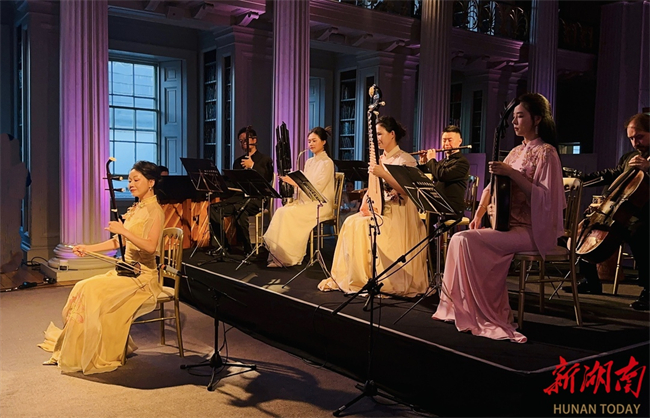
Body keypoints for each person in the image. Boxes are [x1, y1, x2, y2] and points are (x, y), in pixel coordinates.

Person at [432, 93, 566, 343]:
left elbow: (545, 198)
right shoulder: (515, 152)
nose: (514, 122)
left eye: (520, 116)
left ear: (537, 119)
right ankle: (457, 307)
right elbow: (492, 186)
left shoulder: (547, 153)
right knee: (458, 238)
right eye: (513, 117)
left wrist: (512, 174)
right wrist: (479, 213)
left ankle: (487, 312)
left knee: (467, 241)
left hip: (531, 228)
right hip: (508, 226)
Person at [38, 161, 165, 374]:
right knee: (81, 287)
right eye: (130, 180)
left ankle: (94, 351)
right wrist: (88, 248)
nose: (131, 184)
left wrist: (124, 231)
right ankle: (79, 348)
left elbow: (151, 247)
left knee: (92, 290)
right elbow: (118, 242)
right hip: (126, 271)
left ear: (151, 182)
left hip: (143, 277)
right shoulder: (137, 208)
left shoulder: (155, 211)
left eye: (136, 180)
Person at [318, 116, 428, 297]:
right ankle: (358, 278)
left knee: (365, 226)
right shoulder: (380, 158)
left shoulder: (405, 159)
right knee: (351, 222)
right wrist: (366, 202)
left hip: (399, 211)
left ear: (392, 134)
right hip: (380, 208)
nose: (377, 138)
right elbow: (375, 188)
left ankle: (379, 278)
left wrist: (383, 173)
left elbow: (406, 190)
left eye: (380, 134)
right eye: (375, 135)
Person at [563, 113, 649, 310]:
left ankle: (648, 291)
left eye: (640, 137)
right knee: (588, 226)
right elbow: (612, 176)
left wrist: (649, 167)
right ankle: (591, 281)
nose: (635, 143)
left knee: (640, 234)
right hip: (626, 212)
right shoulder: (629, 158)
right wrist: (582, 181)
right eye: (631, 138)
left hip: (646, 214)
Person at [264, 126, 335, 267]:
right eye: (309, 141)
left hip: (320, 204)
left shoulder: (327, 163)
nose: (311, 144)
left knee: (289, 214)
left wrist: (296, 183)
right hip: (306, 202)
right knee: (281, 211)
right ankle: (279, 255)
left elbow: (317, 188)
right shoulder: (309, 162)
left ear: (323, 142)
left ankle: (289, 257)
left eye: (314, 141)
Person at [209, 127, 273, 253]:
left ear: (254, 140)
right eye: (240, 140)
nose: (243, 142)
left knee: (240, 208)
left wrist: (252, 166)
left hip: (257, 199)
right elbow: (233, 184)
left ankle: (248, 248)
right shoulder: (238, 162)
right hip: (239, 197)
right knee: (213, 209)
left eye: (245, 139)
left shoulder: (265, 159)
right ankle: (223, 246)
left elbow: (267, 178)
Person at [418, 125, 470, 215]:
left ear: (460, 141)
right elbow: (431, 175)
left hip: (451, 208)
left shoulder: (462, 162)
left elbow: (442, 175)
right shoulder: (443, 162)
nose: (446, 143)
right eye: (444, 140)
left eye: (450, 140)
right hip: (438, 205)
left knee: (422, 217)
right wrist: (423, 163)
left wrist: (431, 160)